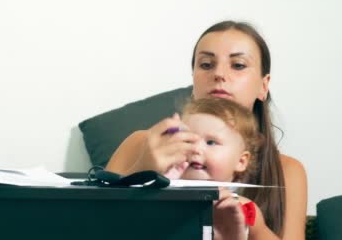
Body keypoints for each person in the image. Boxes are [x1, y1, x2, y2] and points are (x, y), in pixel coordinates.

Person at [105, 21, 307, 240]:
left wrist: (254, 227)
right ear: (193, 82)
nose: (219, 74)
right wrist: (141, 173)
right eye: (206, 64)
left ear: (263, 86)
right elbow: (93, 227)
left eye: (238, 65)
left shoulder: (287, 171)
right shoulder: (139, 143)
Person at [163, 97, 262, 184]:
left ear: (240, 161)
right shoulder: (159, 190)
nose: (196, 149)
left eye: (210, 142)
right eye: (188, 141)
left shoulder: (241, 205)